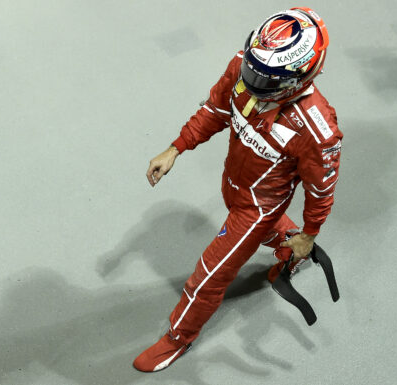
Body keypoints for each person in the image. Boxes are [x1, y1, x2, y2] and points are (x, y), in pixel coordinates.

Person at [134, 7, 343, 372]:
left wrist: (311, 233)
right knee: (242, 211)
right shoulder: (248, 66)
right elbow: (216, 109)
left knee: (208, 276)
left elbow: (321, 189)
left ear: (299, 77)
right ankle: (288, 245)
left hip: (258, 207)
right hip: (234, 183)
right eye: (251, 69)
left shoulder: (317, 128)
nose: (251, 81)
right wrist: (176, 147)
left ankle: (178, 338)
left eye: (265, 78)